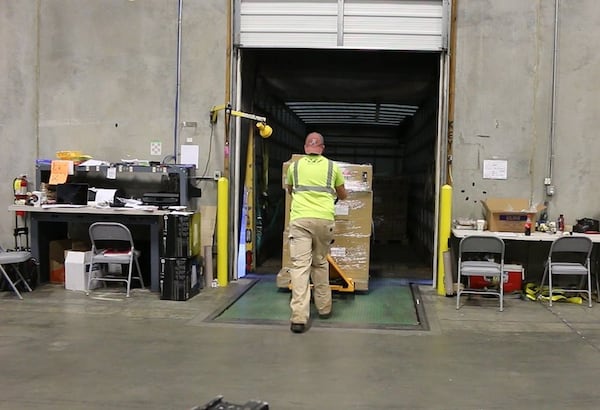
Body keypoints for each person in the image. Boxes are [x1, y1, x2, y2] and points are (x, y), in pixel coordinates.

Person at [285, 132, 347, 333]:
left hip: (301, 220)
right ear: (322, 148)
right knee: (320, 263)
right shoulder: (332, 167)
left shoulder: (294, 167)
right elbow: (343, 195)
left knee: (300, 267)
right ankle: (324, 308)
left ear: (305, 148)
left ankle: (299, 319)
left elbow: (289, 189)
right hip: (323, 220)